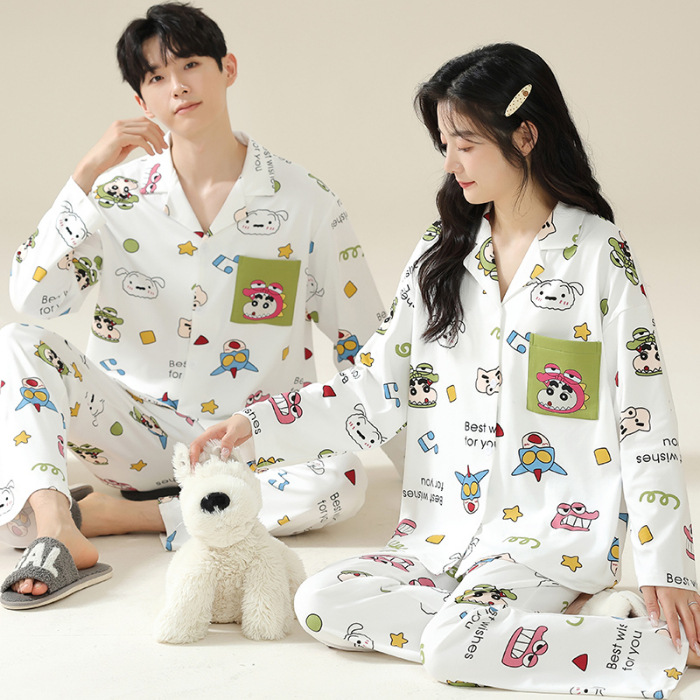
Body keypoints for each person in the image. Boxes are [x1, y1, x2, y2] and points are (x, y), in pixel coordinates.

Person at [191, 43, 699, 696]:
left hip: (546, 544)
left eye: (466, 143)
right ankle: (573, 625)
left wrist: (668, 569)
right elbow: (371, 391)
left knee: (454, 646)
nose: (450, 163)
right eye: (444, 144)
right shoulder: (441, 253)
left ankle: (635, 637)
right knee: (319, 601)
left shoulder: (599, 254)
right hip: (441, 537)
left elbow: (645, 418)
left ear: (525, 136)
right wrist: (255, 425)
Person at [0, 2, 384, 609]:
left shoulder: (305, 201)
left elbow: (367, 346)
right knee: (15, 342)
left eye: (190, 65)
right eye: (156, 77)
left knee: (343, 480)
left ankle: (124, 516)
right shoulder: (114, 196)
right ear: (141, 102)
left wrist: (436, 487)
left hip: (247, 441)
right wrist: (84, 175)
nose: (177, 86)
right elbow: (34, 297)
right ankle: (55, 525)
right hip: (135, 433)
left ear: (227, 68)